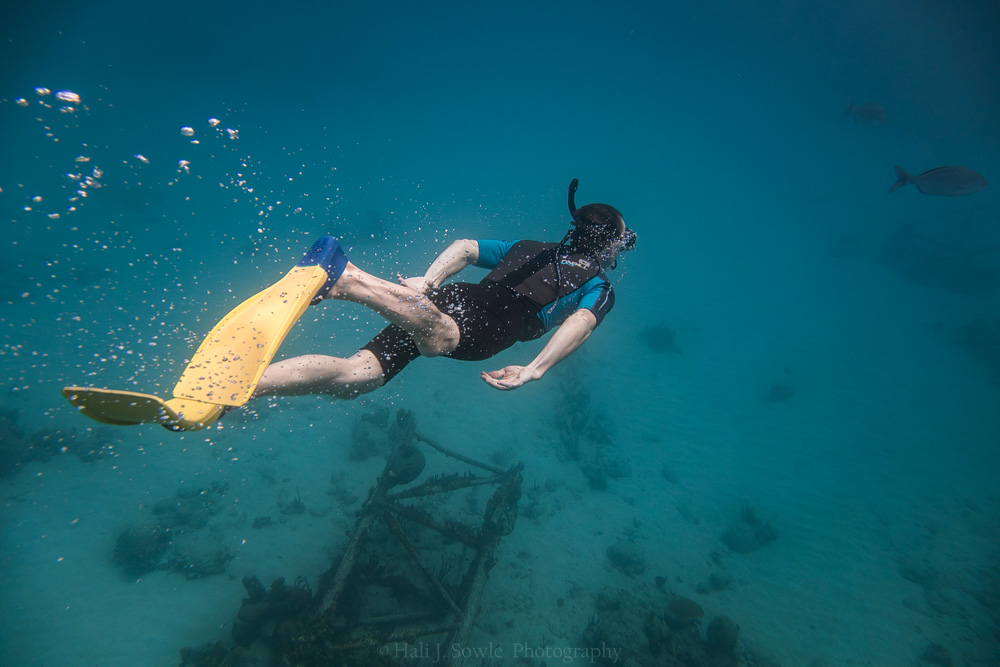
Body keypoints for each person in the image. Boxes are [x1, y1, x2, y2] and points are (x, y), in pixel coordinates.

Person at [253, 179, 636, 400]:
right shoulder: (597, 285)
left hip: (451, 299)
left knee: (358, 376)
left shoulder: (528, 247)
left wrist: (431, 280)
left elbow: (467, 247)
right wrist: (535, 370)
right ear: (609, 247)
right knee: (439, 339)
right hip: (493, 324)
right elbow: (582, 322)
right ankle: (348, 279)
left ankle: (248, 386)